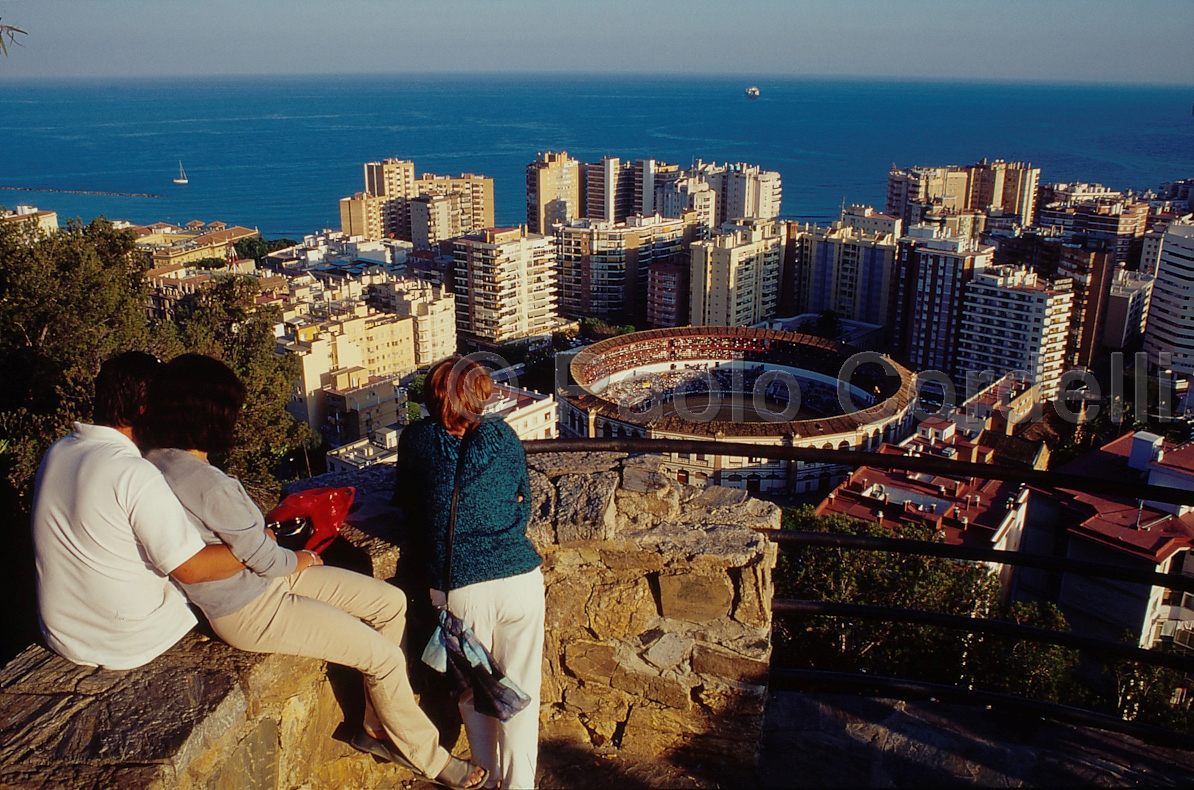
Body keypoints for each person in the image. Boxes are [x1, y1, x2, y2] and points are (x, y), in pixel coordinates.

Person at [139, 354, 486, 790]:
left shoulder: (158, 461)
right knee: (379, 658)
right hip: (250, 605)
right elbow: (265, 556)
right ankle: (429, 759)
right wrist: (300, 559)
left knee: (390, 602)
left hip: (259, 583)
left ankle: (376, 724)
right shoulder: (209, 484)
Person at [31, 351, 245, 670]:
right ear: (144, 411)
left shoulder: (59, 451)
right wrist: (260, 545)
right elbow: (193, 569)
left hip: (62, 633)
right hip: (128, 641)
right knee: (234, 584)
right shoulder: (133, 472)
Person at [393, 356, 545, 790]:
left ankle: (484, 778)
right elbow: (523, 498)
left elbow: (406, 503)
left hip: (461, 587)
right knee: (521, 697)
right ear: (481, 395)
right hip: (520, 579)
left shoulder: (418, 440)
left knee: (472, 695)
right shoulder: (505, 436)